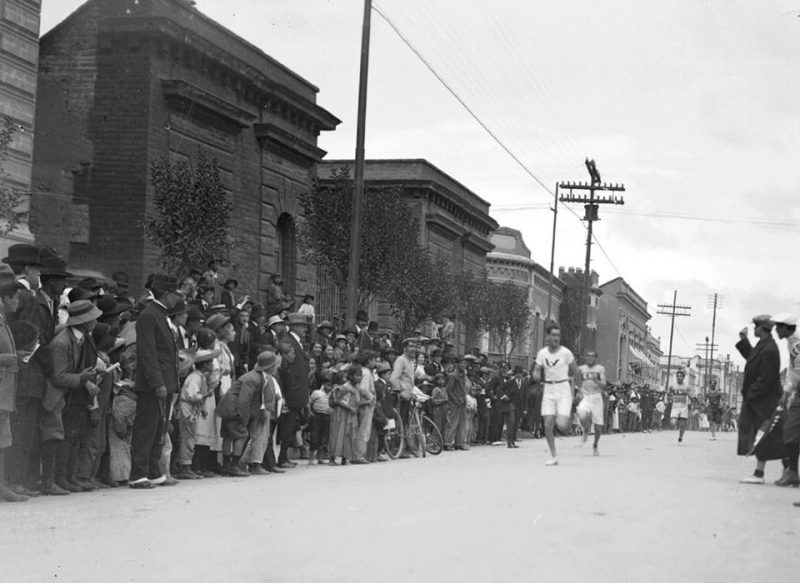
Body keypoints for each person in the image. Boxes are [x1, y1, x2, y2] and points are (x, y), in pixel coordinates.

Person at [128, 275, 181, 490]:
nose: (177, 298)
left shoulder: (160, 314)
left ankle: (154, 471)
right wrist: (157, 383)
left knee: (159, 428)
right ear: (166, 294)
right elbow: (148, 353)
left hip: (164, 382)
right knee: (146, 428)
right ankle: (138, 474)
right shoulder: (149, 315)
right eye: (175, 294)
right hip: (153, 385)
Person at [736, 314, 782, 485]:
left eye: (755, 326)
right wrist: (744, 340)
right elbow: (752, 357)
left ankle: (760, 474)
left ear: (762, 328)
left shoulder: (770, 349)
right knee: (768, 436)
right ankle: (789, 471)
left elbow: (767, 378)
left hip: (765, 400)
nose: (754, 329)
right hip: (761, 399)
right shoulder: (764, 345)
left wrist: (751, 393)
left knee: (765, 435)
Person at [533, 323, 579, 466]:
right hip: (548, 389)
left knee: (562, 425)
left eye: (558, 335)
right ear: (548, 336)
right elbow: (537, 368)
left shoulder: (566, 353)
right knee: (547, 423)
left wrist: (579, 390)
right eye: (553, 335)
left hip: (563, 388)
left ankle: (567, 420)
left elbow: (576, 371)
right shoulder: (542, 353)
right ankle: (554, 455)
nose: (556, 338)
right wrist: (535, 373)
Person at [174, 348, 219, 480]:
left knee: (190, 438)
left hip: (191, 411)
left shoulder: (200, 377)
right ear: (205, 364)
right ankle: (185, 467)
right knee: (187, 439)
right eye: (210, 362)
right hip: (187, 412)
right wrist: (205, 395)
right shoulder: (195, 377)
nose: (212, 365)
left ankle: (186, 466)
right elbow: (191, 395)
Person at [0, 275, 25, 501]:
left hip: (5, 392)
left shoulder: (4, 322)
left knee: (3, 441)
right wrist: (3, 359)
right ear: (6, 299)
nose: (18, 301)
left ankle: (2, 485)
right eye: (15, 297)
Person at [770, 313, 800, 491]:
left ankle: (792, 473)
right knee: (790, 433)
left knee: (790, 432)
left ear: (785, 328)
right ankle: (793, 473)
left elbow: (797, 372)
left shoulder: (796, 344)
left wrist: (787, 391)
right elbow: (793, 370)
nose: (776, 330)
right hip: (797, 393)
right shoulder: (792, 343)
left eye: (778, 327)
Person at [277, 313, 310, 467]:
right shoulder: (287, 342)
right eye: (302, 326)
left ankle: (283, 457)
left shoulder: (295, 342)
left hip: (296, 391)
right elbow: (285, 371)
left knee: (291, 426)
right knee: (287, 426)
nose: (305, 329)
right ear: (294, 327)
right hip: (291, 392)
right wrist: (288, 393)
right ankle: (282, 458)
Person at [390, 338, 418, 458]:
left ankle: (405, 446)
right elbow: (393, 378)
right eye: (410, 346)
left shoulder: (411, 362)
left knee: (405, 422)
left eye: (414, 346)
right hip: (400, 397)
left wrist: (411, 392)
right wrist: (400, 392)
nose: (413, 349)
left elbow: (409, 381)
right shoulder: (401, 360)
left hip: (408, 396)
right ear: (405, 348)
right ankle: (397, 448)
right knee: (399, 422)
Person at [328, 365, 359, 465]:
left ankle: (344, 457)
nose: (359, 378)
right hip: (341, 414)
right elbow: (338, 400)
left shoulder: (355, 387)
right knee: (338, 434)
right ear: (351, 376)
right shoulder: (345, 387)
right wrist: (350, 408)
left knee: (347, 434)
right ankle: (332, 458)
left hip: (349, 414)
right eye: (357, 376)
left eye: (360, 376)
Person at [576, 350, 606, 455]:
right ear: (585, 357)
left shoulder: (600, 369)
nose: (590, 358)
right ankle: (586, 429)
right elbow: (575, 379)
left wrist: (595, 379)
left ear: (595, 358)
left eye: (592, 356)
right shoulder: (581, 369)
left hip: (597, 397)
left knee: (598, 427)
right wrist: (578, 390)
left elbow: (603, 385)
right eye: (588, 356)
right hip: (586, 397)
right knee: (582, 415)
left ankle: (595, 445)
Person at [352, 351, 377, 464]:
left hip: (359, 403)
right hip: (366, 404)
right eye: (373, 360)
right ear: (369, 361)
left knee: (358, 429)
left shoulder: (360, 371)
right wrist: (371, 398)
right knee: (364, 429)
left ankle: (355, 454)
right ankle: (359, 456)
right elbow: (363, 388)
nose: (375, 362)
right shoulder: (366, 373)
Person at [307, 369, 334, 465]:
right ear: (323, 384)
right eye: (328, 385)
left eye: (331, 386)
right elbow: (309, 403)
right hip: (317, 416)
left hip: (327, 417)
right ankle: (311, 459)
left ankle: (320, 458)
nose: (329, 388)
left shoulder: (331, 394)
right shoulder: (316, 393)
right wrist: (310, 412)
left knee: (324, 438)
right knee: (314, 437)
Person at [444, 355, 470, 451]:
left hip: (462, 401)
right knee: (453, 423)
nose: (463, 365)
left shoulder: (463, 375)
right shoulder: (454, 375)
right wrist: (455, 400)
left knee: (462, 423)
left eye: (465, 363)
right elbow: (448, 389)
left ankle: (459, 443)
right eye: (461, 363)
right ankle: (447, 443)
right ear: (457, 364)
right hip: (454, 403)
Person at [497, 365, 523, 448]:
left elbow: (525, 396)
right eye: (517, 373)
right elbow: (499, 389)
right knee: (511, 424)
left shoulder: (524, 383)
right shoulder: (510, 382)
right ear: (514, 374)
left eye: (520, 373)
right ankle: (509, 442)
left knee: (516, 424)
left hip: (519, 406)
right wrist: (504, 396)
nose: (518, 375)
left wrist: (525, 408)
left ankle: (513, 441)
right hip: (510, 404)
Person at [668, 370, 693, 443]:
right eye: (677, 376)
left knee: (682, 425)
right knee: (673, 422)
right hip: (675, 406)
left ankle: (680, 437)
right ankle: (677, 422)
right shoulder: (672, 386)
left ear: (683, 377)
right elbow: (667, 394)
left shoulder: (686, 386)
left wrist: (688, 393)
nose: (679, 377)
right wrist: (668, 399)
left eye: (680, 376)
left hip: (683, 406)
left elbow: (692, 397)